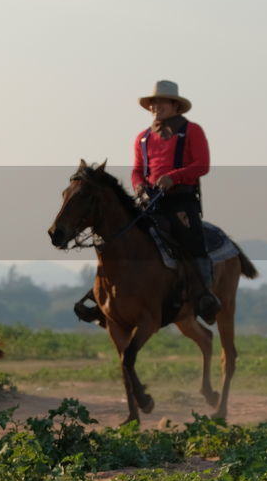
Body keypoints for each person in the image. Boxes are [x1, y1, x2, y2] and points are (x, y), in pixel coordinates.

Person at [73, 80, 220, 325]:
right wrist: (139, 185)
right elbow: (137, 171)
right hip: (149, 201)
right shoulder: (142, 138)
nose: (155, 106)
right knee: (117, 240)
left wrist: (173, 178)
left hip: (180, 201)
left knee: (192, 241)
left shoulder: (192, 130)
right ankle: (101, 299)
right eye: (152, 102)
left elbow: (201, 165)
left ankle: (204, 296)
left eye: (160, 101)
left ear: (175, 105)